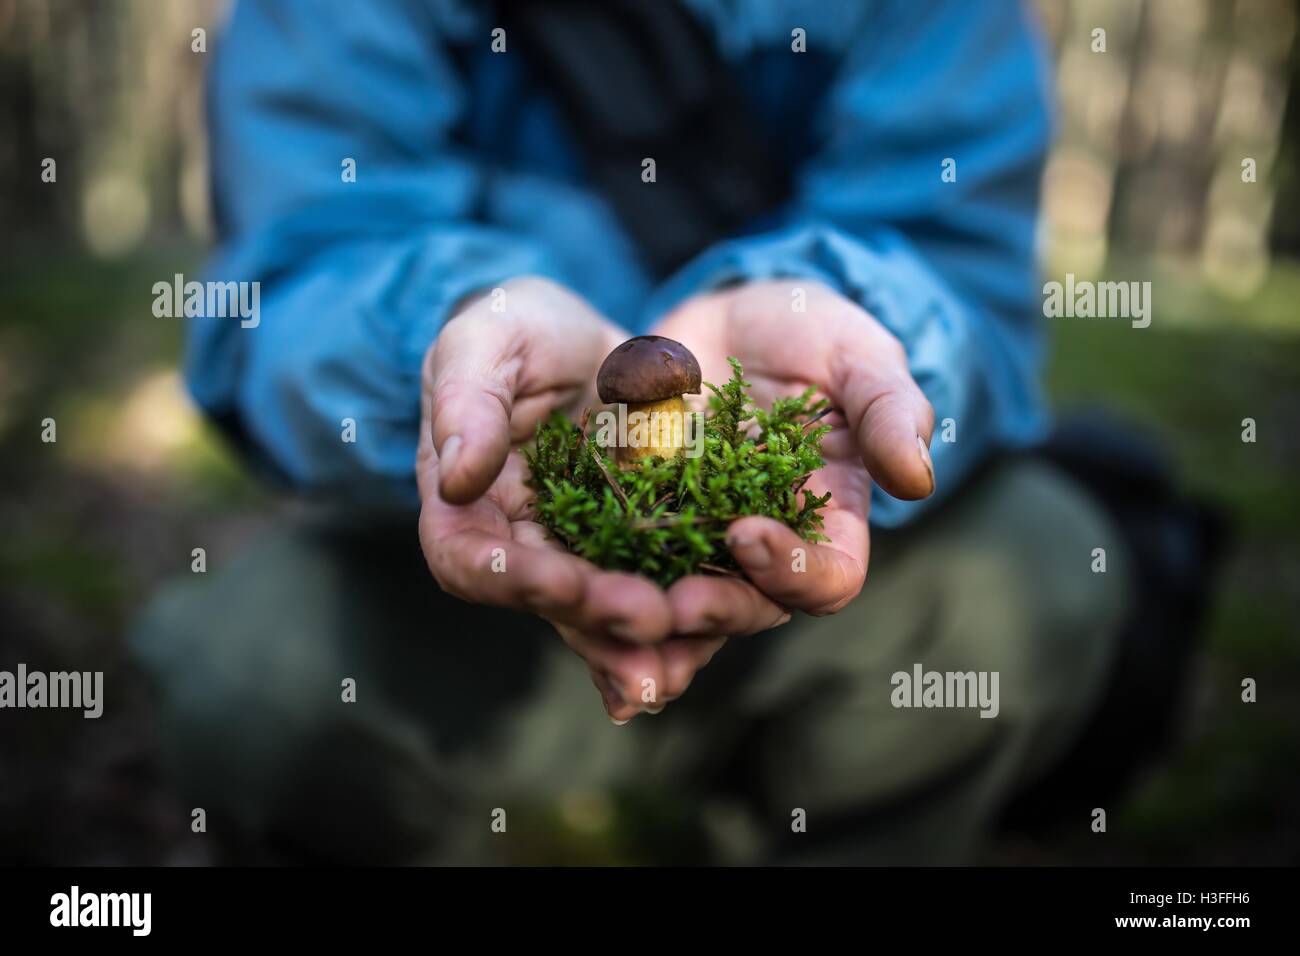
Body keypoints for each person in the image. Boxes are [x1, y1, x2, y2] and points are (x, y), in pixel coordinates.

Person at [132, 0, 1131, 864]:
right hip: (462, 557)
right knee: (253, 668)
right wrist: (442, 344)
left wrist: (842, 319)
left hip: (830, 579)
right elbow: (291, 269)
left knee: (1040, 561)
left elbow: (968, 277)